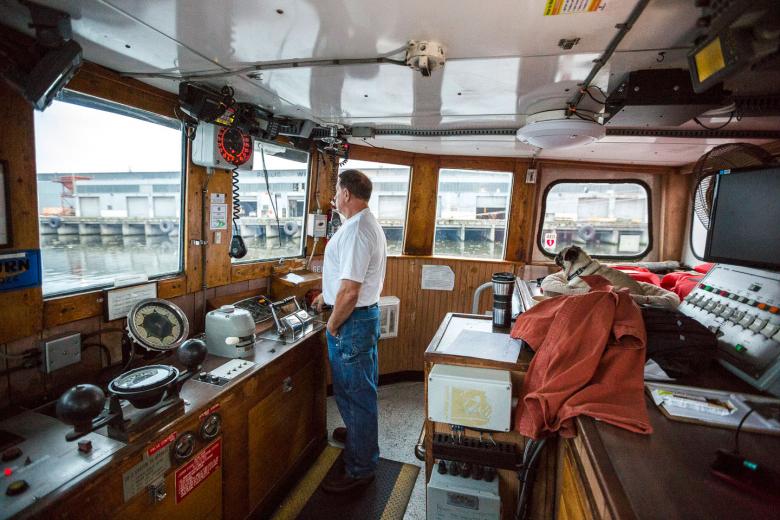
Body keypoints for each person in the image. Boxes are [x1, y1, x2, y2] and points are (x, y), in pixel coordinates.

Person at [312, 169, 387, 494]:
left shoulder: (357, 230)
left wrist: (332, 325)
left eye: (337, 191)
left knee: (356, 396)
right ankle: (359, 438)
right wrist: (325, 296)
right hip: (362, 318)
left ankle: (360, 469)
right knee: (360, 390)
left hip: (351, 321)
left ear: (346, 194)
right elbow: (348, 279)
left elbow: (351, 291)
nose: (334, 197)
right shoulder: (364, 223)